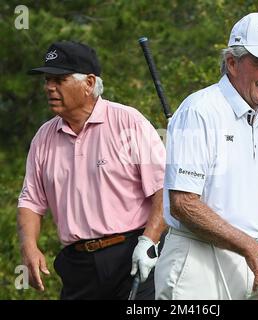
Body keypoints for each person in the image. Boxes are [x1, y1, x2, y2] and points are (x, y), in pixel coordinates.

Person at [155, 12, 258, 300]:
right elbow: (184, 203)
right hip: (198, 263)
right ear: (232, 63)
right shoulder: (199, 110)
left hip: (256, 263)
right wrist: (252, 250)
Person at [17, 40, 167, 299]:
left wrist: (149, 241)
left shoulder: (127, 122)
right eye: (47, 81)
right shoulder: (44, 137)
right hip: (78, 266)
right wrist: (29, 246)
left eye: (59, 79)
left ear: (88, 83)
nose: (49, 88)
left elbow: (163, 189)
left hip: (132, 255)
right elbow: (31, 201)